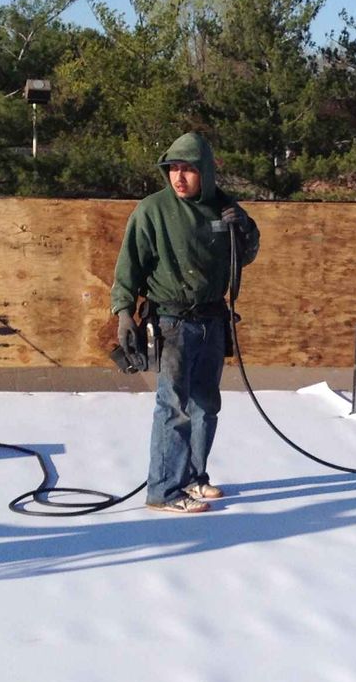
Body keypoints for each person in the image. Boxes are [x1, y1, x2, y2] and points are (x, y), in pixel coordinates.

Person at [111, 133, 260, 515]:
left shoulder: (223, 207)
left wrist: (243, 228)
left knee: (206, 404)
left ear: (206, 173)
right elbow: (129, 263)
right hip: (171, 321)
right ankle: (163, 489)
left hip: (212, 317)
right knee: (173, 405)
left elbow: (246, 254)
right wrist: (124, 312)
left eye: (188, 169)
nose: (179, 177)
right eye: (173, 169)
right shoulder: (153, 210)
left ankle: (194, 477)